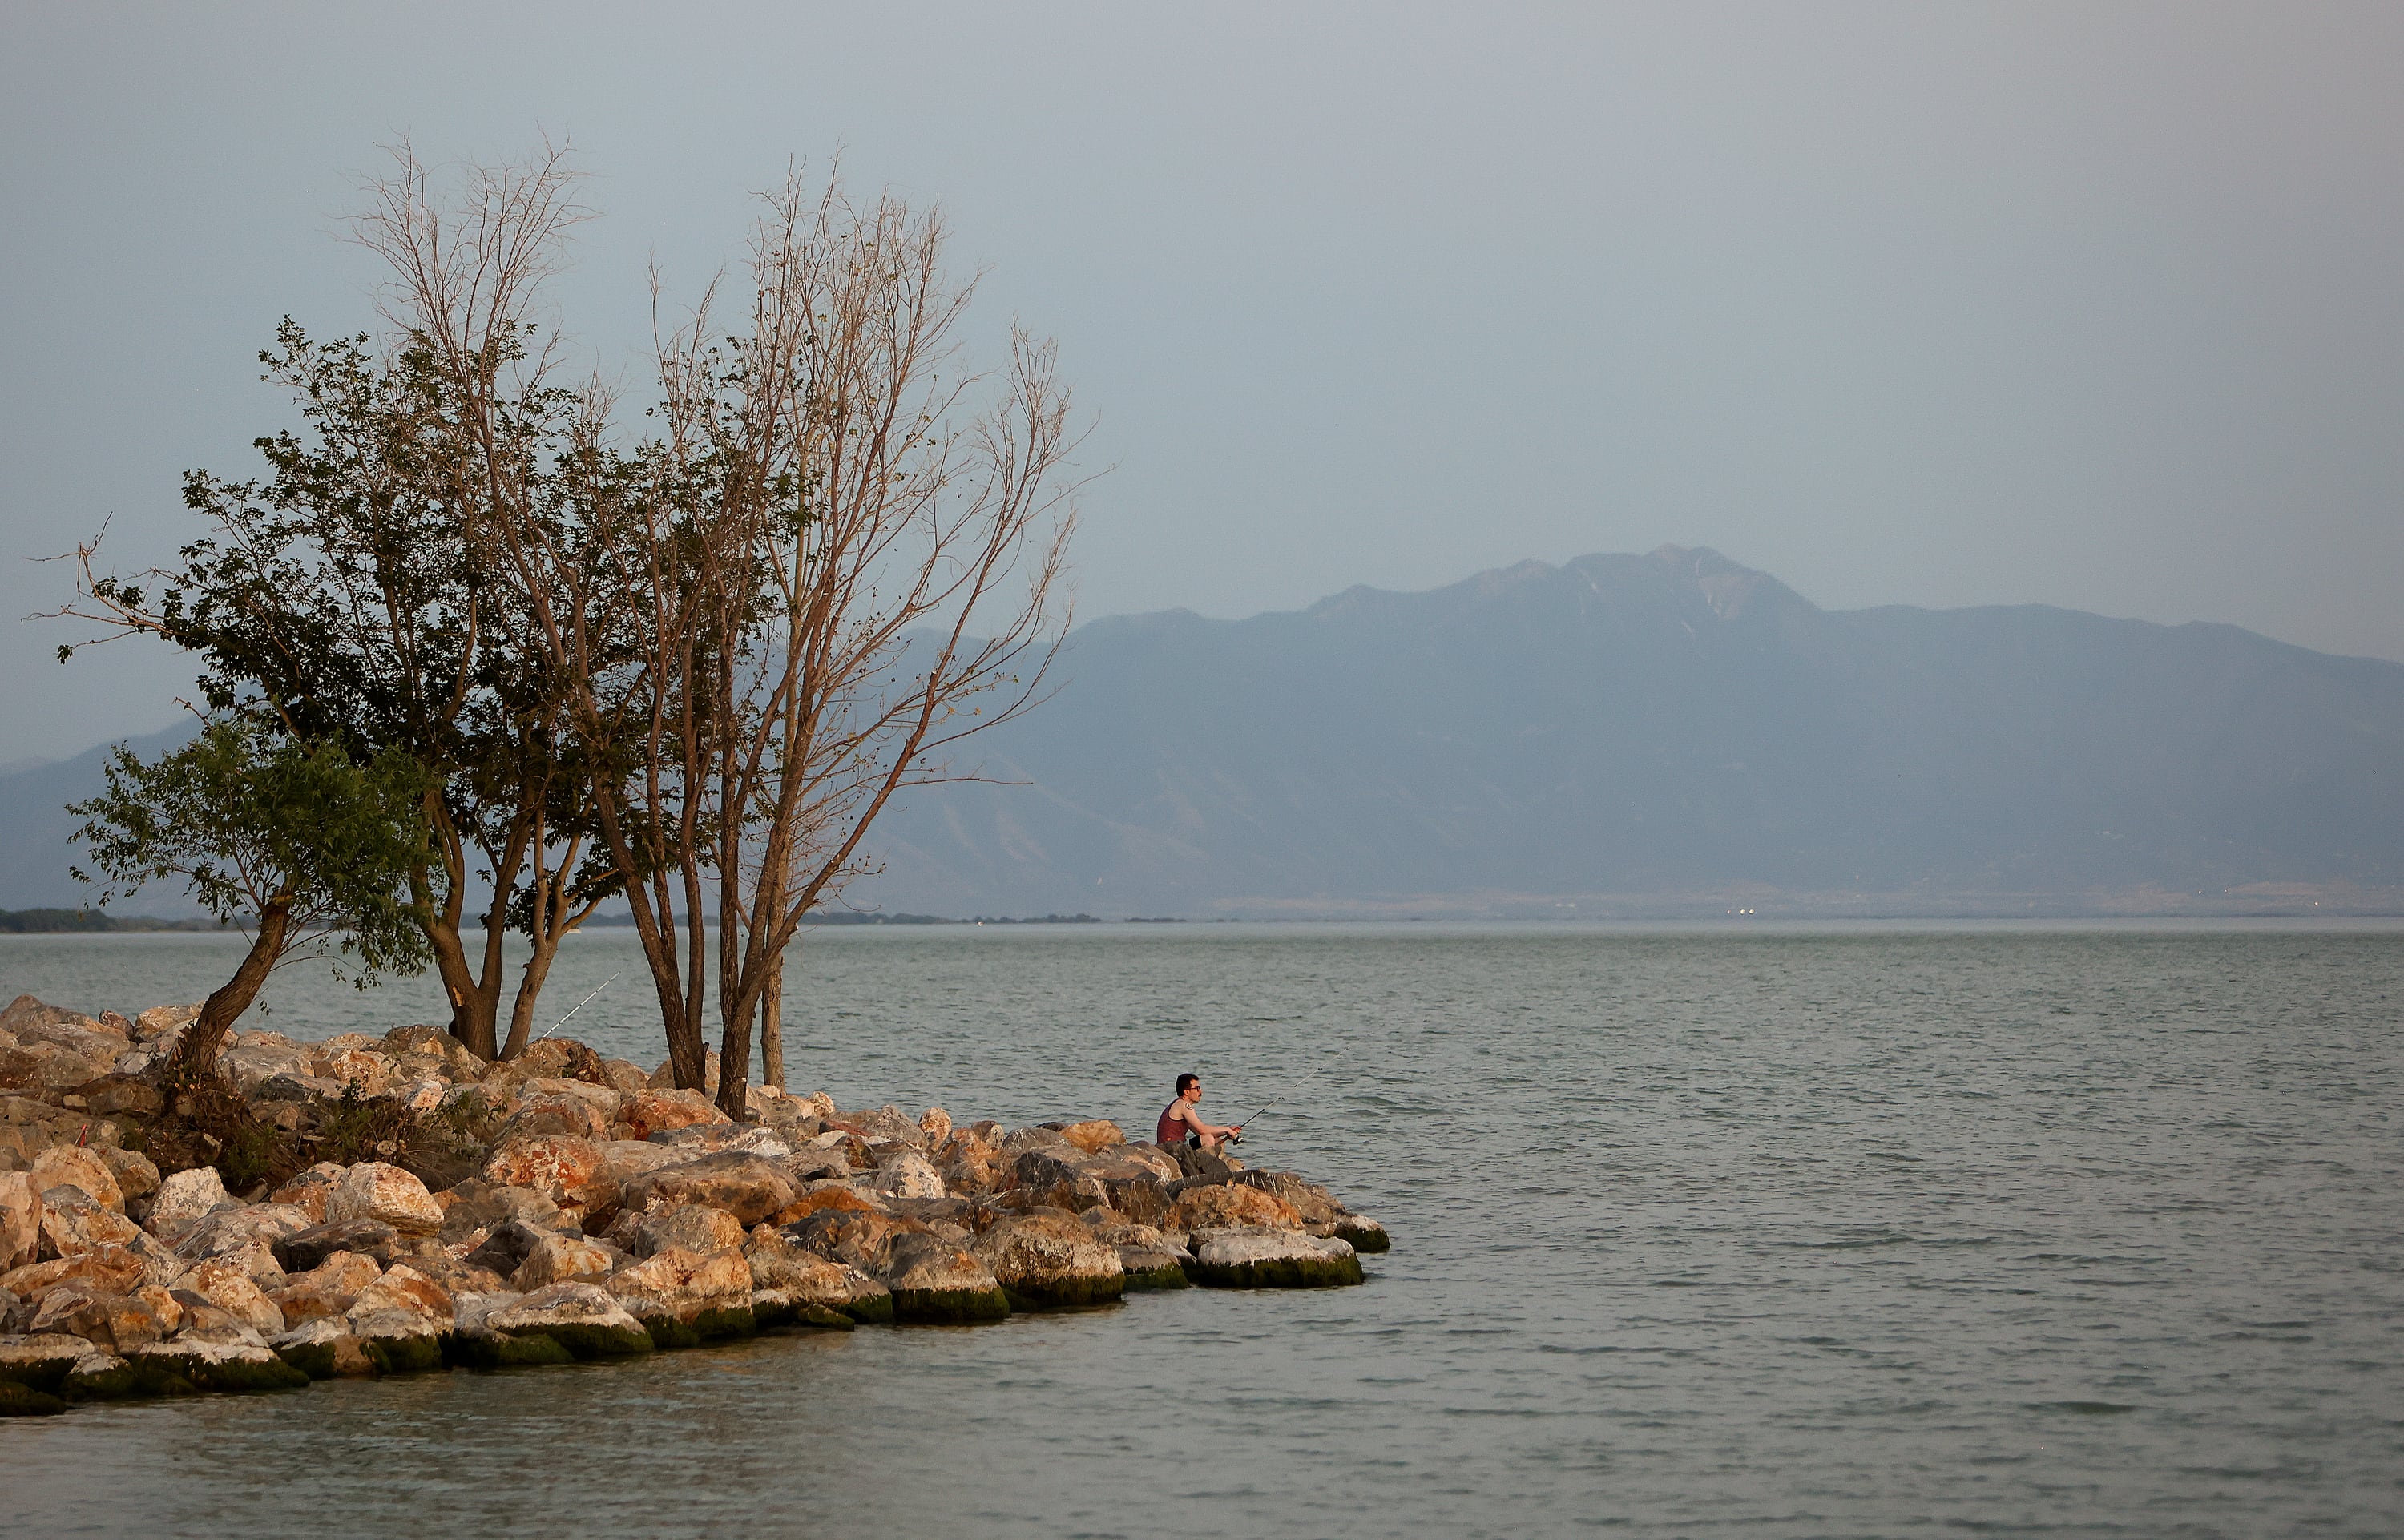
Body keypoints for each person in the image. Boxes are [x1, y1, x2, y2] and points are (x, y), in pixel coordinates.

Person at [1156, 1071, 1242, 1155]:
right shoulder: (1183, 1105)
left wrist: (1227, 1131)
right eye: (1197, 1088)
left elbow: (1200, 1132)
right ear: (1186, 1092)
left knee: (1217, 1141)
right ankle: (1207, 1167)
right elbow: (1202, 1129)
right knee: (1208, 1139)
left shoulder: (1180, 1104)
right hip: (1170, 1149)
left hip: (1175, 1147)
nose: (1200, 1092)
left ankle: (1214, 1165)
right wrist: (1226, 1129)